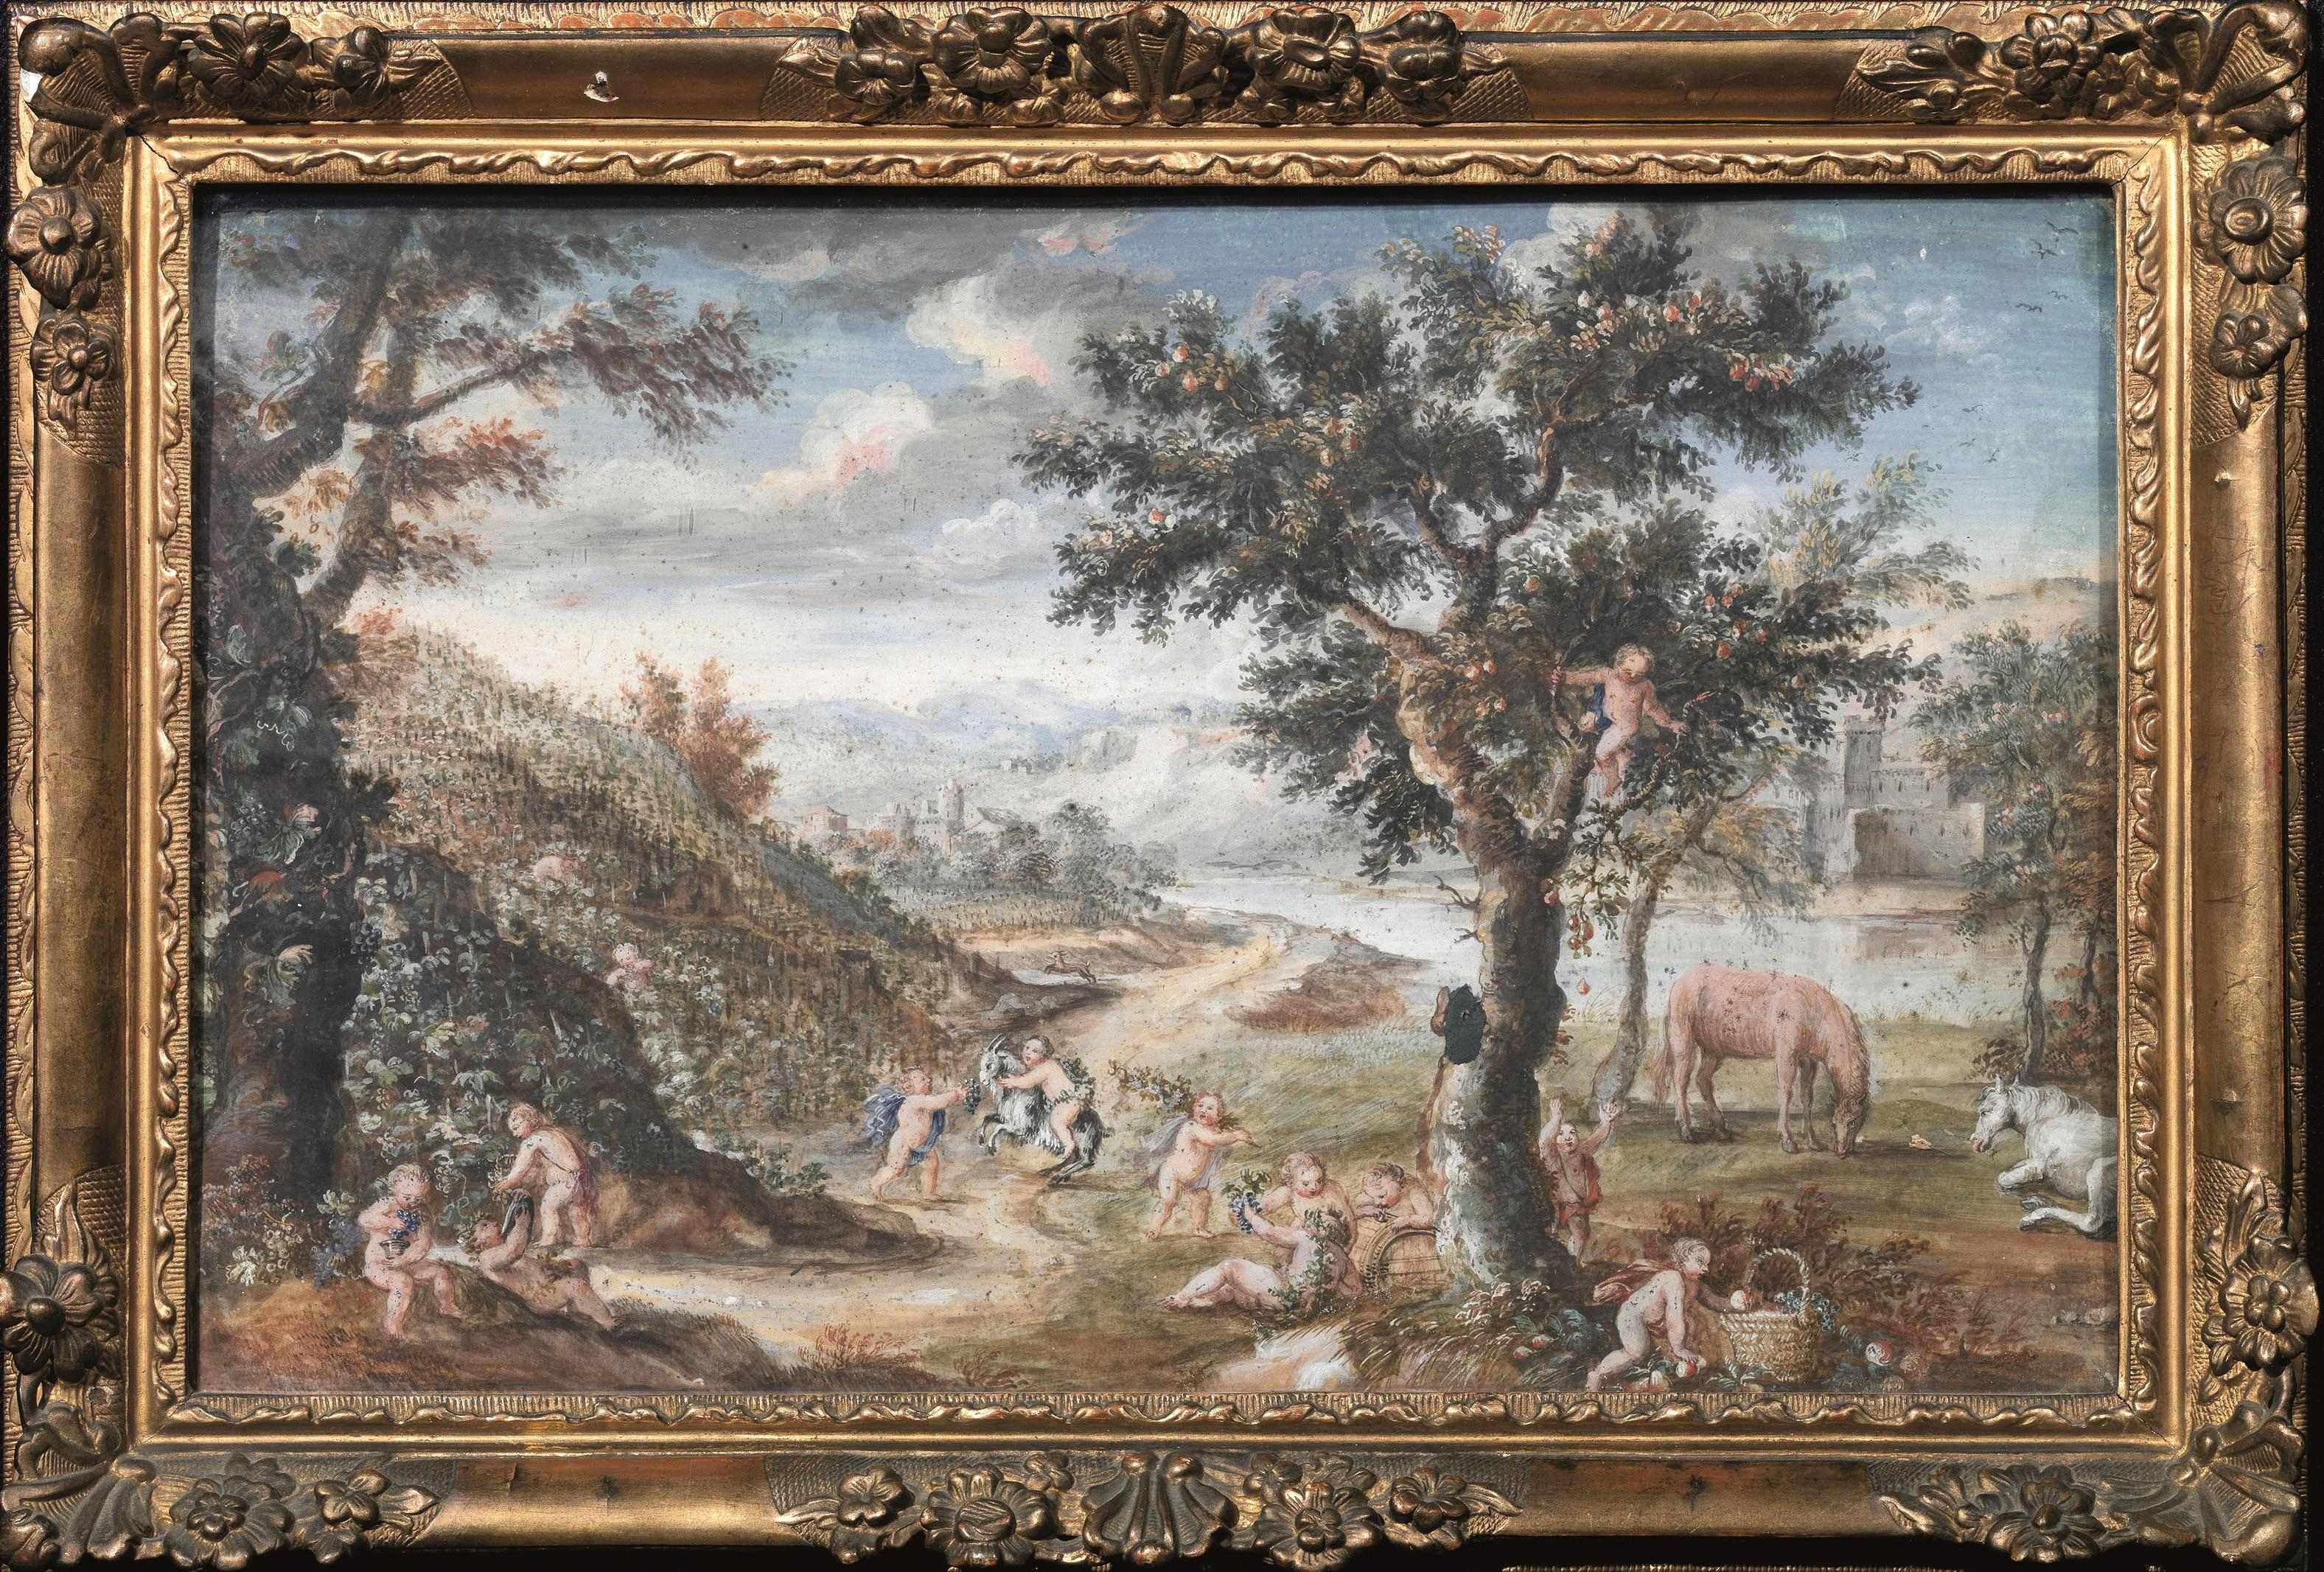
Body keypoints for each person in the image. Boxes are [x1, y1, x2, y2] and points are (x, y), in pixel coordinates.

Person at [1162, 1190, 1351, 1313]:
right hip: (1304, 1306)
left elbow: (1269, 1232)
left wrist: (1250, 1215)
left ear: (1317, 1228)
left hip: (1285, 1296)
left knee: (1229, 1268)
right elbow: (1355, 1291)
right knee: (1243, 1282)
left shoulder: (1308, 1237)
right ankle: (1209, 1300)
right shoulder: (1343, 1258)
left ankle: (1182, 1297)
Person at [471, 1195, 618, 1330]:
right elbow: (514, 1250)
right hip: (536, 1298)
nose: (494, 1224)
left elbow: (527, 1267)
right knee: (576, 1286)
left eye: (490, 1222)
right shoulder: (486, 1257)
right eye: (484, 1227)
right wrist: (521, 1223)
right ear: (476, 1243)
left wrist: (553, 1267)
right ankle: (609, 1327)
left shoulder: (500, 1250)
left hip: (545, 1286)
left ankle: (578, 1314)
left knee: (576, 1264)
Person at [1585, 1237, 1714, 1391]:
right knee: (1636, 1352)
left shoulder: (1689, 1283)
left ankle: (1654, 1380)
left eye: (1706, 1264)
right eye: (1700, 1262)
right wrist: (1679, 1348)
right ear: (1683, 1259)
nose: (1706, 1269)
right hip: (1632, 1316)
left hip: (1650, 1322)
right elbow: (1674, 1318)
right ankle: (1597, 1374)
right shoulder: (1673, 1279)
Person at [1557, 644, 1687, 793]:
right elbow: (1587, 678)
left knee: (1602, 754)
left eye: (1639, 674)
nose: (1633, 677)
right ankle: (1614, 757)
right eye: (1628, 672)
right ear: (1618, 664)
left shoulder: (1644, 686)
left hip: (1624, 727)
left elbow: (1653, 708)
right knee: (1583, 726)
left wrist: (1669, 723)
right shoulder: (1608, 675)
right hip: (1606, 717)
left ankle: (1613, 778)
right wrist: (1565, 677)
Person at [357, 1164, 461, 1340]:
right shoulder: (386, 1205)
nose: (412, 1202)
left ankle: (447, 1306)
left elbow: (423, 1244)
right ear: (394, 1190)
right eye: (407, 1197)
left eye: (418, 1198)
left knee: (441, 1272)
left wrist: (404, 1259)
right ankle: (393, 1323)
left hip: (408, 1263)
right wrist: (389, 1222)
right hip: (380, 1265)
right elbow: (364, 1219)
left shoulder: (422, 1214)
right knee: (403, 1281)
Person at [1141, 1091, 1254, 1240]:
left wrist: (1241, 1140)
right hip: (1173, 1173)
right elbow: (1213, 1140)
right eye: (1200, 1106)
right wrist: (1236, 1135)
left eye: (1210, 1108)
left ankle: (1199, 1228)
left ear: (1218, 1116)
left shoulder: (1215, 1131)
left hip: (1195, 1178)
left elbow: (1222, 1145)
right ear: (1194, 1108)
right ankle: (1154, 1228)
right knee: (1169, 1201)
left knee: (1202, 1199)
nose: (1203, 1110)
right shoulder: (1192, 1126)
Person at [491, 1103, 599, 1251]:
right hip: (579, 1180)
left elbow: (521, 1167)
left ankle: (549, 1240)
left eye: (516, 1128)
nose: (515, 1134)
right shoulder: (550, 1132)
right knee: (577, 1210)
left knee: (548, 1207)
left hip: (565, 1182)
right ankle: (583, 1239)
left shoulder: (532, 1141)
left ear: (528, 1121)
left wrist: (508, 1182)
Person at [861, 1068, 969, 1202]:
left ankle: (929, 1192)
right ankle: (876, 1182)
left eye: (927, 1077)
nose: (928, 1080)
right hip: (903, 1143)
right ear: (910, 1087)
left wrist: (960, 1096)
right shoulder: (914, 1101)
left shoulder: (925, 1099)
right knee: (896, 1169)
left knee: (932, 1165)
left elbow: (941, 1104)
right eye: (923, 1079)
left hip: (922, 1144)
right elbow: (938, 1102)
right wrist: (955, 1094)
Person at [1539, 1097, 1621, 1261]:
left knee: (1581, 1235)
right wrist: (1555, 1119)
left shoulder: (1581, 1153)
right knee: (1550, 1233)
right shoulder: (1552, 1154)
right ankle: (1554, 1262)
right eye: (1561, 1134)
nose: (1568, 1137)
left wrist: (1606, 1122)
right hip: (1555, 1203)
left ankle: (1573, 1262)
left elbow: (1596, 1139)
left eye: (1572, 1133)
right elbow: (1544, 1140)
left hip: (1576, 1205)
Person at [995, 1036, 1094, 1155]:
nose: (1028, 1052)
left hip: (1069, 1101)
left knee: (1057, 1121)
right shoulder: (1041, 1067)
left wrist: (1013, 1082)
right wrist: (1016, 1079)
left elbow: (1028, 1081)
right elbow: (1028, 1077)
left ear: (1043, 1056)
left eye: (1035, 1051)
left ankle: (1069, 1143)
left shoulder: (1046, 1067)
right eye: (1027, 1048)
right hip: (1066, 1101)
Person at [1356, 1161, 1437, 1229]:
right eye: (1372, 1197)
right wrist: (1371, 1210)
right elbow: (1356, 1209)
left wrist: (1407, 1220)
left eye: (1382, 1196)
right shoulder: (1374, 1188)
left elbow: (1428, 1219)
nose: (1377, 1202)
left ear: (1401, 1184)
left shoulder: (1413, 1188)